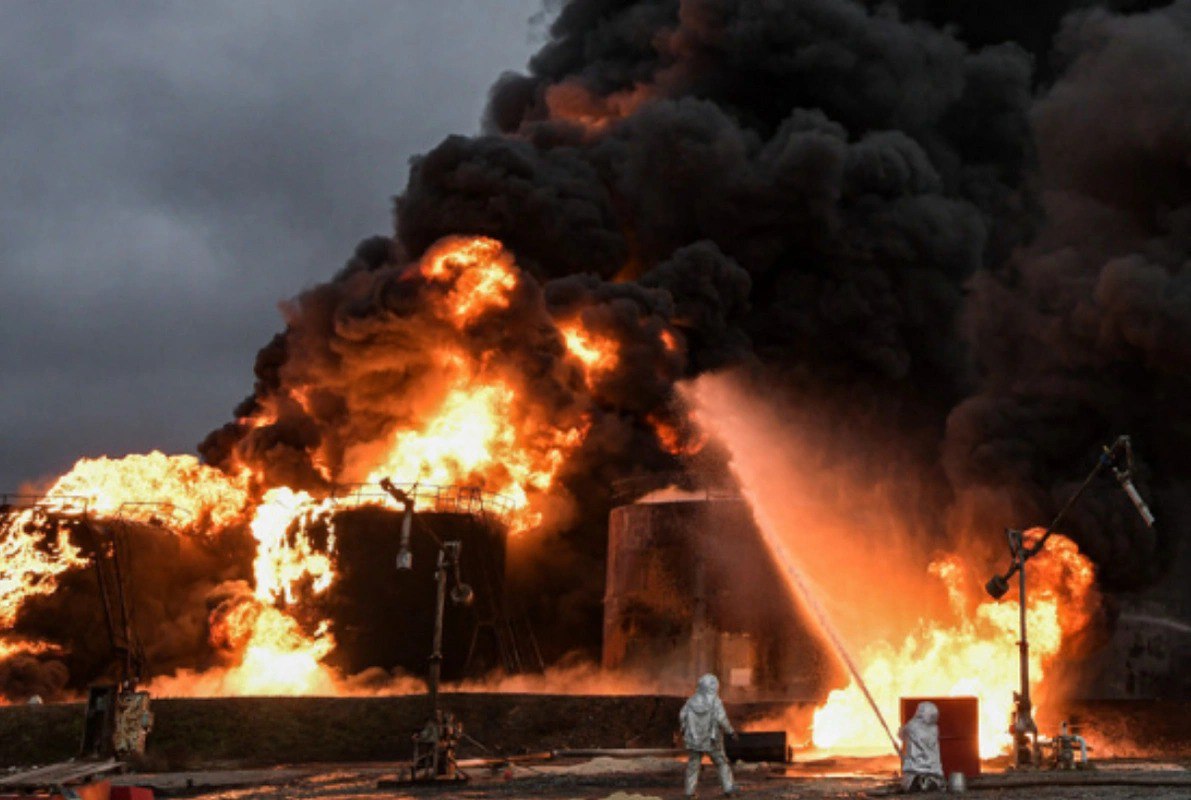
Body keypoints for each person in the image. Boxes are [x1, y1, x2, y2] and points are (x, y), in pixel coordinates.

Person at [679, 673, 737, 798]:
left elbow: (682, 716)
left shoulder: (691, 701)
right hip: (712, 740)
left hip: (694, 740)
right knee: (721, 763)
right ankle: (729, 789)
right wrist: (731, 732)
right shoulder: (715, 701)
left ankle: (689, 793)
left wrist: (685, 730)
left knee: (693, 766)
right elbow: (721, 719)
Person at [899, 701, 945, 792]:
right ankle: (927, 783)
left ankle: (920, 783)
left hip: (914, 775)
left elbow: (901, 735)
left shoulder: (912, 726)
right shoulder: (935, 729)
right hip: (934, 775)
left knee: (909, 784)